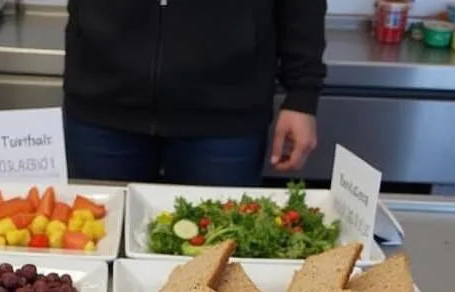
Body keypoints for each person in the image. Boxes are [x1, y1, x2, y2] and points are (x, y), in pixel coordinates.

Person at [62, 0, 327, 186]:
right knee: (98, 249)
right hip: (101, 102)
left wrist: (302, 92)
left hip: (226, 111)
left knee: (217, 254)